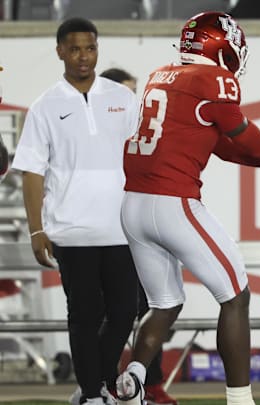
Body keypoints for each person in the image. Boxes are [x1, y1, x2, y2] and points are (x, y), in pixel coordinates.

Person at [113, 11, 260, 405]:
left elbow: (228, 148)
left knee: (165, 303)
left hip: (133, 206)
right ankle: (241, 399)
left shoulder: (162, 74)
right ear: (219, 46)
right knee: (236, 296)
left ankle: (134, 379)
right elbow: (248, 138)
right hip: (173, 203)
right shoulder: (213, 78)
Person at [11, 17, 139, 405]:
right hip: (71, 231)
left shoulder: (123, 97)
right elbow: (32, 173)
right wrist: (36, 230)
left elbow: (141, 158)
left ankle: (95, 383)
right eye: (75, 49)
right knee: (83, 316)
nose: (84, 56)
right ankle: (92, 393)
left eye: (91, 48)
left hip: (122, 229)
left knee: (124, 314)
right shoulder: (44, 106)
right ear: (60, 52)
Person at [99, 67, 178, 405]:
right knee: (114, 314)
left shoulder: (144, 137)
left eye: (135, 93)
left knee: (154, 305)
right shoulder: (97, 142)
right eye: (125, 93)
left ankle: (149, 384)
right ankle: (100, 383)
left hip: (140, 233)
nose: (134, 101)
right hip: (107, 238)